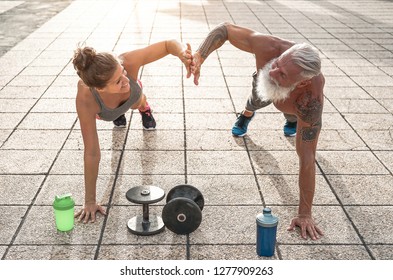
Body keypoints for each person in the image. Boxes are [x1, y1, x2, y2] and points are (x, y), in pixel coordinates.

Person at [190, 22, 325, 240]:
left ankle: (291, 120)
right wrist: (199, 55)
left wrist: (304, 213)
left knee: (292, 115)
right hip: (265, 92)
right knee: (256, 99)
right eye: (278, 64)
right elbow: (224, 30)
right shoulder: (269, 48)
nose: (273, 71)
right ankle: (246, 114)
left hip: (292, 105)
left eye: (282, 74)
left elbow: (307, 158)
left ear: (301, 84)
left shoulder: (309, 102)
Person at [72, 40, 192, 223]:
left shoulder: (128, 62)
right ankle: (117, 115)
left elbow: (168, 45)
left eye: (123, 72)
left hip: (134, 98)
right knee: (113, 114)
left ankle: (145, 108)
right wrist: (89, 201)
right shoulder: (86, 97)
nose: (125, 79)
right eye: (118, 81)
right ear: (100, 88)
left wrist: (183, 54)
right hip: (106, 112)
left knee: (137, 101)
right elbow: (92, 152)